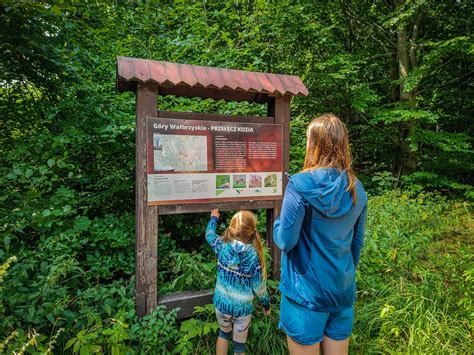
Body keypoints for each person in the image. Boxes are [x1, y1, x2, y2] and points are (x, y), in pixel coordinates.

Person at [273, 114, 368, 354]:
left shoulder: (300, 185)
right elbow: (356, 246)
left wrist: (276, 223)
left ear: (313, 144)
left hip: (306, 297)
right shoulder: (356, 188)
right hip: (341, 292)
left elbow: (286, 240)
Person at [206, 209, 271, 355]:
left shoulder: (223, 246)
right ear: (252, 232)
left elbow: (209, 235)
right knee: (239, 348)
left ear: (232, 228)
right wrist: (266, 305)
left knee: (223, 334)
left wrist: (213, 219)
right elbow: (259, 287)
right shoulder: (254, 256)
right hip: (242, 309)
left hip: (222, 304)